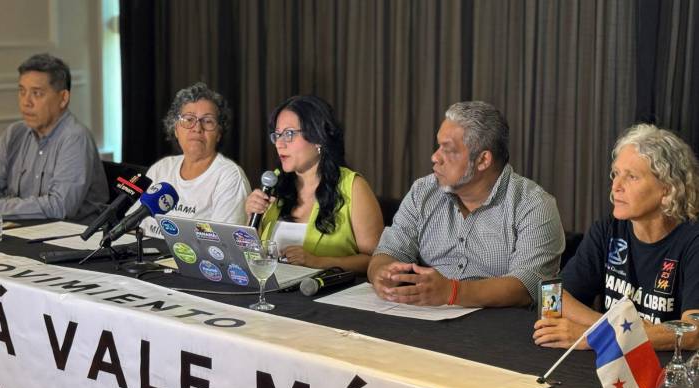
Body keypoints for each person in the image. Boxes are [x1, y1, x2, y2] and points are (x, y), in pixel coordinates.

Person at [368, 101, 564, 307]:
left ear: (482, 160)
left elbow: (528, 287)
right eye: (438, 146)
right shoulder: (423, 191)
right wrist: (381, 273)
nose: (435, 157)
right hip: (422, 316)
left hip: (497, 326)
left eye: (448, 150)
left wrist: (452, 292)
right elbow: (388, 252)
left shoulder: (534, 205)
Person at [533, 124, 699, 351]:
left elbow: (693, 334)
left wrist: (597, 337)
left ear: (668, 190)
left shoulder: (692, 241)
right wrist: (608, 329)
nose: (616, 186)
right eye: (616, 174)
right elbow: (550, 298)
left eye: (632, 177)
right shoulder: (608, 230)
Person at [244, 95, 383, 273]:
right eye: (277, 135)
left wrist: (317, 262)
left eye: (289, 134)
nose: (279, 144)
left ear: (318, 137)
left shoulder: (354, 186)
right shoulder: (274, 184)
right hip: (272, 292)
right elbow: (252, 256)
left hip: (325, 295)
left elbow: (375, 261)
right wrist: (251, 217)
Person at [0, 53, 107, 222]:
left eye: (36, 93)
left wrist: (2, 207)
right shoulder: (14, 133)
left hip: (74, 240)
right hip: (23, 231)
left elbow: (60, 206)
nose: (26, 102)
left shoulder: (75, 138)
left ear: (63, 98)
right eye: (22, 91)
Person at [134, 82, 251, 238]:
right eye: (189, 119)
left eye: (207, 121)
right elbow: (133, 225)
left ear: (219, 134)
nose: (197, 128)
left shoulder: (230, 177)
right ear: (175, 129)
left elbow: (223, 245)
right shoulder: (161, 168)